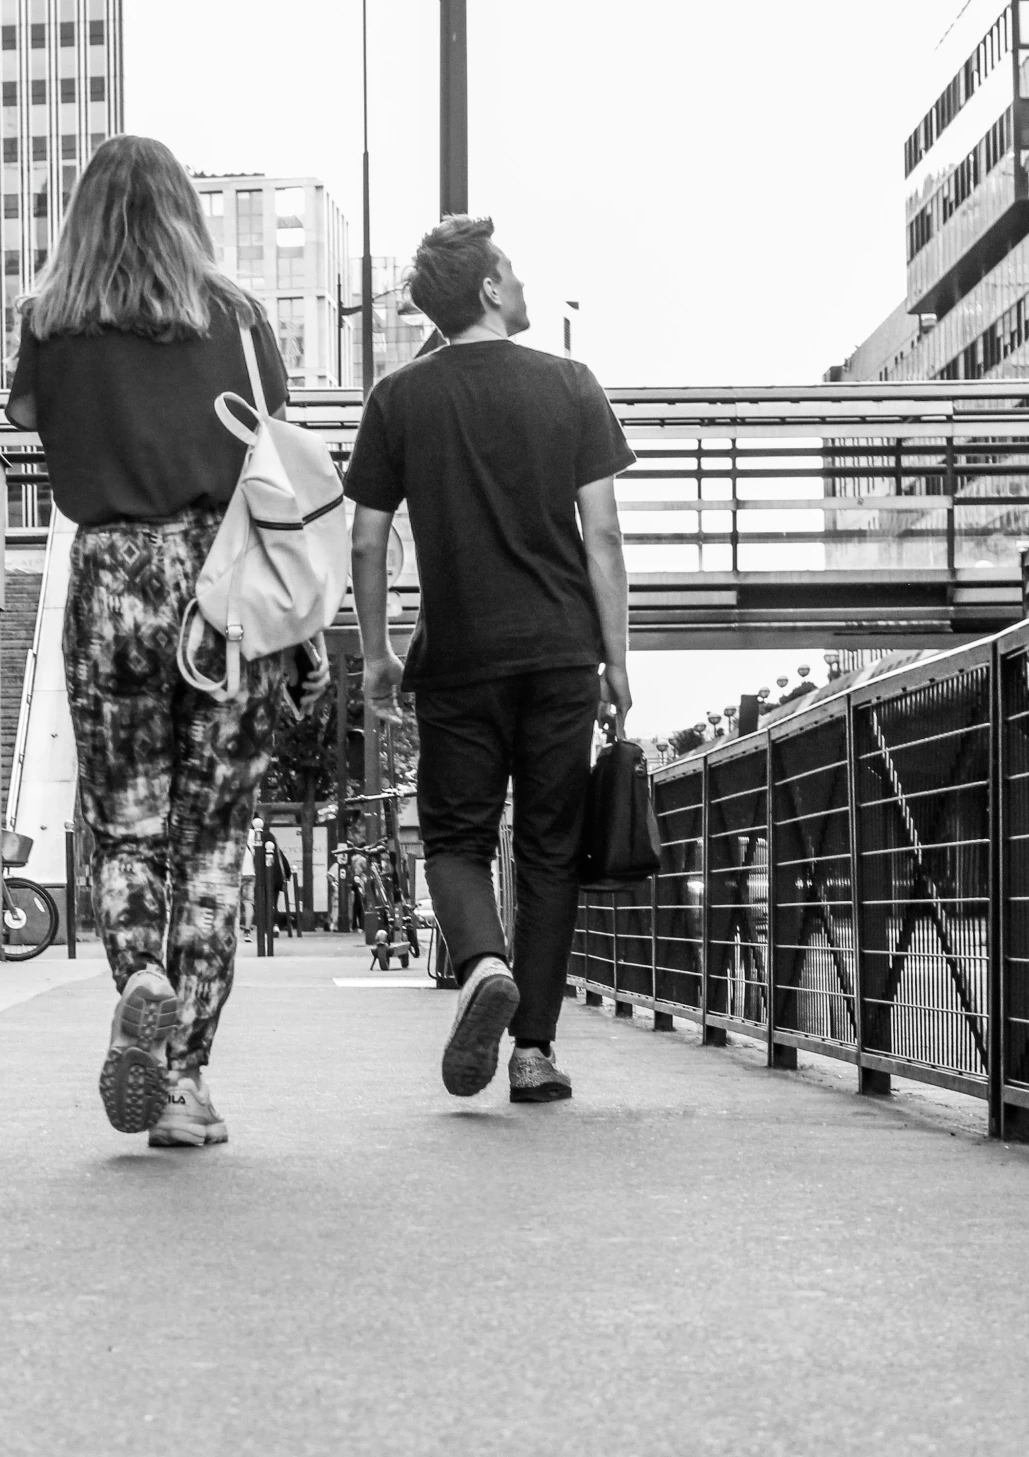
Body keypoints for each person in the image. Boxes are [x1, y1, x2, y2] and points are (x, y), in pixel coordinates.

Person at [6, 135, 329, 1148]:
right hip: (219, 591)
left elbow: (28, 419)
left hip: (107, 580)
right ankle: (183, 1076)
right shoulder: (234, 318)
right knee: (214, 845)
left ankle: (137, 972)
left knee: (129, 824)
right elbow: (275, 448)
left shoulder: (50, 321)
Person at [345, 215, 635, 1104]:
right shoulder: (570, 384)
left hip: (458, 657)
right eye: (509, 271)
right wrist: (615, 663)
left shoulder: (398, 398)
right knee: (549, 851)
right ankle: (534, 1052)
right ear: (486, 288)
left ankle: (479, 964)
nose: (520, 284)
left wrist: (378, 655)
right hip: (558, 654)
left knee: (457, 838)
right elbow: (605, 536)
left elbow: (365, 540)